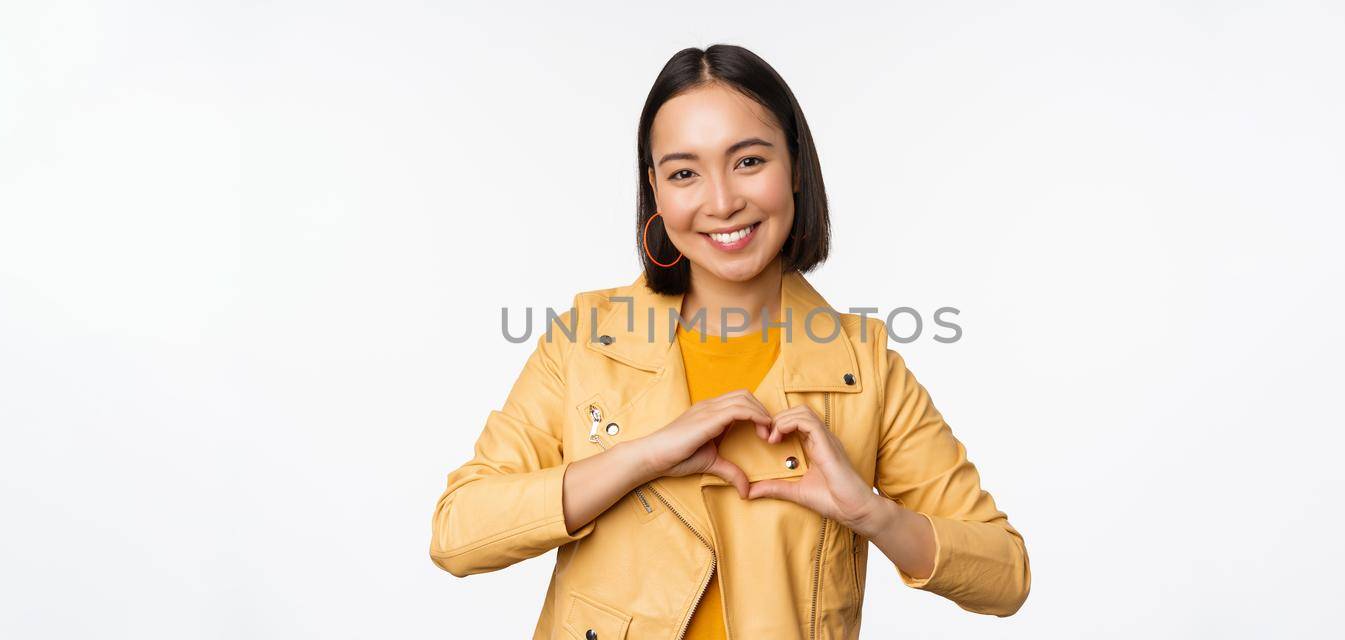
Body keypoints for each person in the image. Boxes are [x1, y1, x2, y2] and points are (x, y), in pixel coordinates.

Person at [429, 44, 1030, 640]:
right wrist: (641, 457)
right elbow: (457, 533)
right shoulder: (585, 342)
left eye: (748, 161)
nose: (721, 202)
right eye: (684, 172)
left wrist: (873, 515)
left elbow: (1006, 576)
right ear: (657, 191)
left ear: (794, 165)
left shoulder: (863, 366)